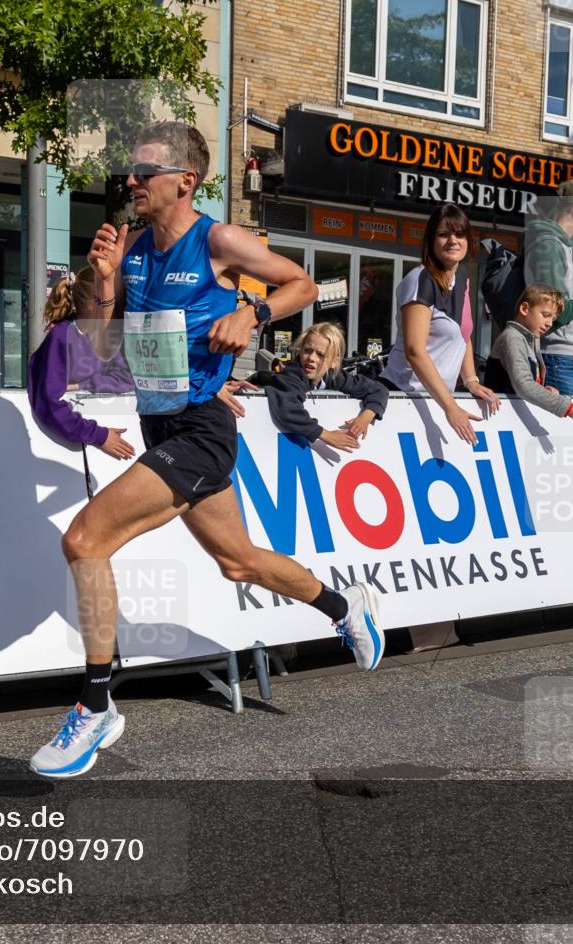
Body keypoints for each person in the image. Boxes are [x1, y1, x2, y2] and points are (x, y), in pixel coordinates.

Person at [29, 121, 385, 779]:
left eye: (143, 172)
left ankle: (96, 704)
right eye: (130, 172)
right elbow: (104, 348)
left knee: (84, 541)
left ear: (183, 182)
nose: (130, 182)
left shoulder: (217, 239)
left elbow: (302, 285)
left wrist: (252, 313)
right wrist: (103, 281)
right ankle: (346, 607)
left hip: (200, 431)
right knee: (240, 562)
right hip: (163, 423)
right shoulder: (132, 247)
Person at [380, 203, 501, 446]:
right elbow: (415, 351)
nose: (453, 241)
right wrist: (450, 406)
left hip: (435, 399)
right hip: (401, 396)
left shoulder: (463, 277)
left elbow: (462, 334)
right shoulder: (420, 279)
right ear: (431, 241)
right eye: (443, 234)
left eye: (459, 234)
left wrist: (471, 381)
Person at [28, 267, 135, 458]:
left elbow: (126, 378)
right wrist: (100, 436)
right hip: (59, 450)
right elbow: (48, 403)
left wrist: (82, 385)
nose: (116, 305)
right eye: (110, 299)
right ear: (92, 304)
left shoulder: (109, 336)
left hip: (89, 449)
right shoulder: (61, 336)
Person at [266, 322, 388, 449]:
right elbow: (288, 409)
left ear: (334, 362)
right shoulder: (293, 374)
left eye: (320, 355)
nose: (311, 358)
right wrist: (327, 435)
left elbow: (379, 389)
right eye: (307, 350)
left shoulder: (333, 376)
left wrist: (366, 416)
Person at [484, 284, 573, 425]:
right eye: (546, 315)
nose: (549, 324)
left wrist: (543, 390)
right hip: (499, 419)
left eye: (553, 319)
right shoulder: (513, 337)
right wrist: (569, 408)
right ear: (524, 309)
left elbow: (522, 382)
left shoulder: (528, 338)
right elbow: (523, 385)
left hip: (508, 418)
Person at [523, 177, 573, 395]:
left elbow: (560, 305)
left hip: (564, 357)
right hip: (554, 359)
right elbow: (555, 312)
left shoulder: (563, 244)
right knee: (561, 428)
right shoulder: (550, 245)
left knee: (570, 428)